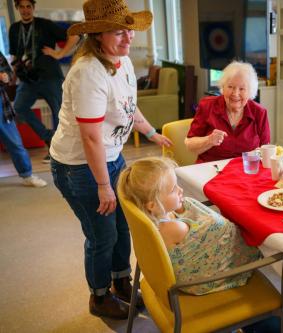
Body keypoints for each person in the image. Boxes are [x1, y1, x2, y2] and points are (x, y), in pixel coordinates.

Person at [49, 0, 173, 320]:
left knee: (123, 226)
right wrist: (103, 185)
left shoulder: (122, 61)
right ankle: (99, 296)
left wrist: (151, 133)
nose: (128, 38)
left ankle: (122, 282)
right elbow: (90, 138)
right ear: (98, 35)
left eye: (129, 30)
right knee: (101, 235)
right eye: (119, 32)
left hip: (111, 157)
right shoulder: (88, 72)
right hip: (80, 167)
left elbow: (129, 106)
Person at [117, 156, 261, 295]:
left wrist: (178, 204)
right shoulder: (173, 229)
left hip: (179, 274)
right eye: (173, 189)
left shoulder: (155, 217)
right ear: (152, 205)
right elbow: (209, 229)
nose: (180, 190)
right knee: (263, 240)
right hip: (199, 282)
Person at [9, 0, 81, 163]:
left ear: (33, 8)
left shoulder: (45, 25)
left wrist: (60, 54)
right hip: (27, 79)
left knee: (58, 112)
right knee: (19, 108)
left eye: (29, 6)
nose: (26, 10)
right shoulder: (14, 29)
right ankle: (49, 137)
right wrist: (13, 79)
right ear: (18, 8)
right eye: (22, 7)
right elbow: (15, 56)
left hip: (50, 77)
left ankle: (56, 152)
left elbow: (75, 35)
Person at [185, 61, 270, 163]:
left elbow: (266, 149)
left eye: (242, 89)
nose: (235, 93)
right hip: (211, 169)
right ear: (223, 87)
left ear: (250, 91)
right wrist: (209, 140)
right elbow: (189, 144)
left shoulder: (259, 112)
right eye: (230, 87)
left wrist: (258, 154)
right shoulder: (207, 106)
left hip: (245, 171)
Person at [0, 50, 46, 187]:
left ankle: (27, 175)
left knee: (15, 143)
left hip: (1, 105)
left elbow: (8, 73)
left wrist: (6, 77)